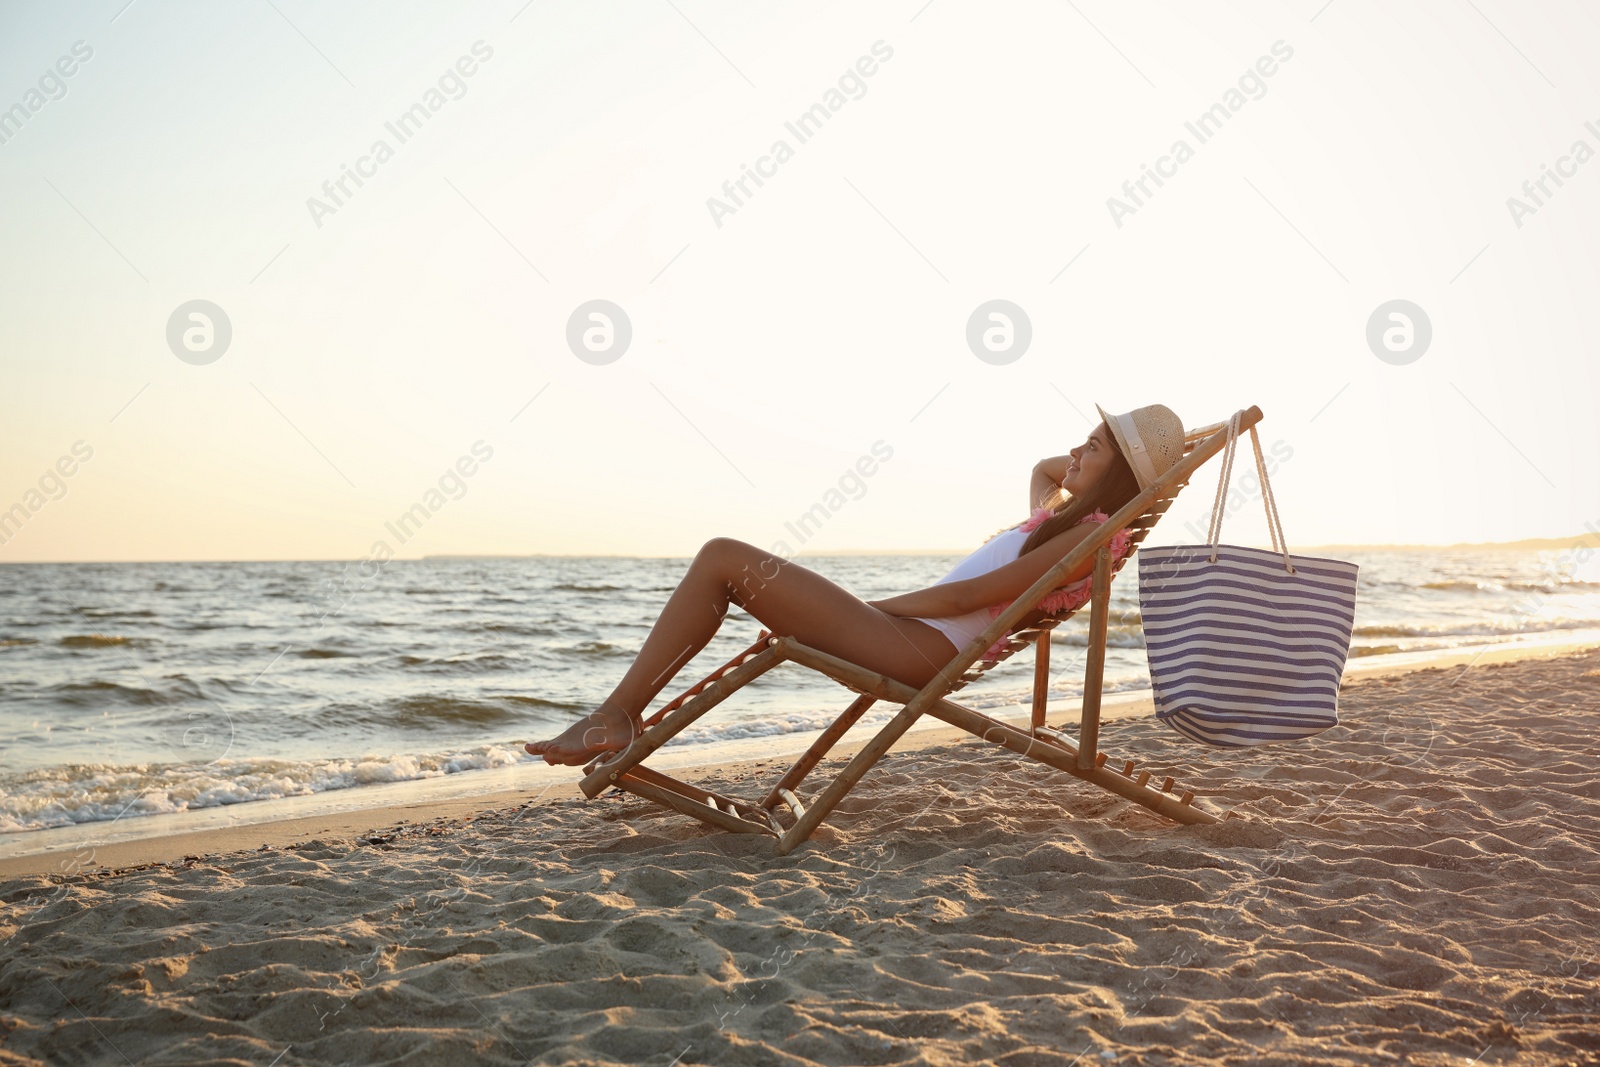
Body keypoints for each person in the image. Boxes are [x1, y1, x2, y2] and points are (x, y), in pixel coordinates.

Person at [524, 402, 1184, 766]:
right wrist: (1091, 461)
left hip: (917, 645)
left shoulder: (1089, 538)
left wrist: (873, 609)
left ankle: (617, 716)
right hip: (910, 635)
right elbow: (1043, 466)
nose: (1075, 452)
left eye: (1094, 445)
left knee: (725, 557)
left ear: (1121, 474)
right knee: (726, 562)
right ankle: (622, 716)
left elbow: (967, 601)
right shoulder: (1056, 519)